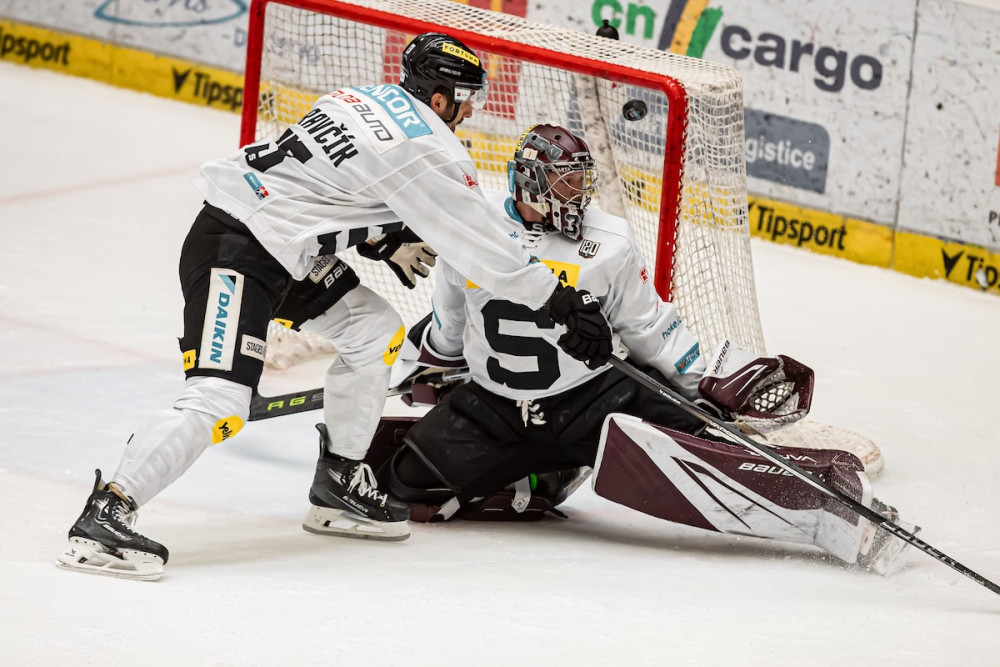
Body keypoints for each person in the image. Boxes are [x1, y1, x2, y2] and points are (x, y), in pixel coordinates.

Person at [57, 36, 613, 580]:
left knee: (374, 329)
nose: (469, 112)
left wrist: (382, 241)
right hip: (239, 250)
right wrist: (561, 299)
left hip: (280, 246)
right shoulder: (428, 147)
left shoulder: (359, 98)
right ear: (440, 97)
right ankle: (108, 512)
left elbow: (324, 186)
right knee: (220, 398)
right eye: (466, 100)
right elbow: (483, 245)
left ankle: (339, 483)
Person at [377, 124, 916, 574]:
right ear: (532, 181)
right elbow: (448, 328)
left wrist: (699, 388)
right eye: (567, 182)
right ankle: (542, 475)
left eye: (581, 181)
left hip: (593, 397)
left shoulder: (607, 241)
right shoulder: (473, 229)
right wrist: (427, 369)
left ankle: (839, 507)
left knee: (708, 454)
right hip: (496, 407)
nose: (579, 194)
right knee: (405, 484)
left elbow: (648, 326)